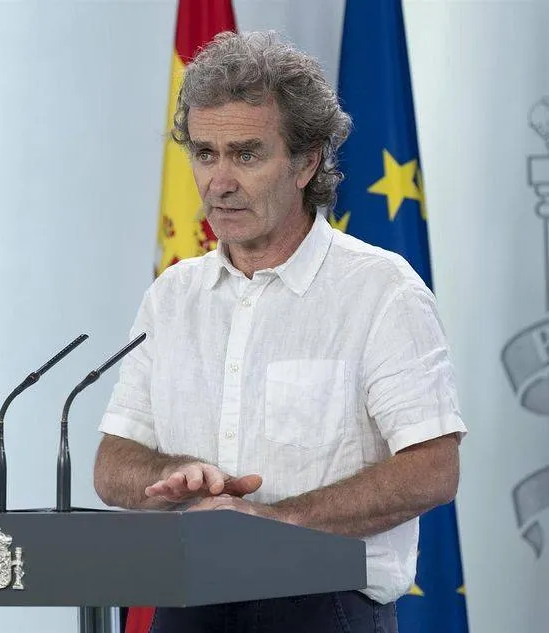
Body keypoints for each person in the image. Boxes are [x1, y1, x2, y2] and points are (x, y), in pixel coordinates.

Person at [93, 30, 466, 633]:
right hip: (187, 605)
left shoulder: (380, 291)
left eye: (245, 154)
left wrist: (277, 522)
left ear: (306, 161)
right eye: (204, 153)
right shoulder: (173, 297)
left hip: (326, 606)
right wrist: (180, 473)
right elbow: (113, 463)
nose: (219, 181)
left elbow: (431, 468)